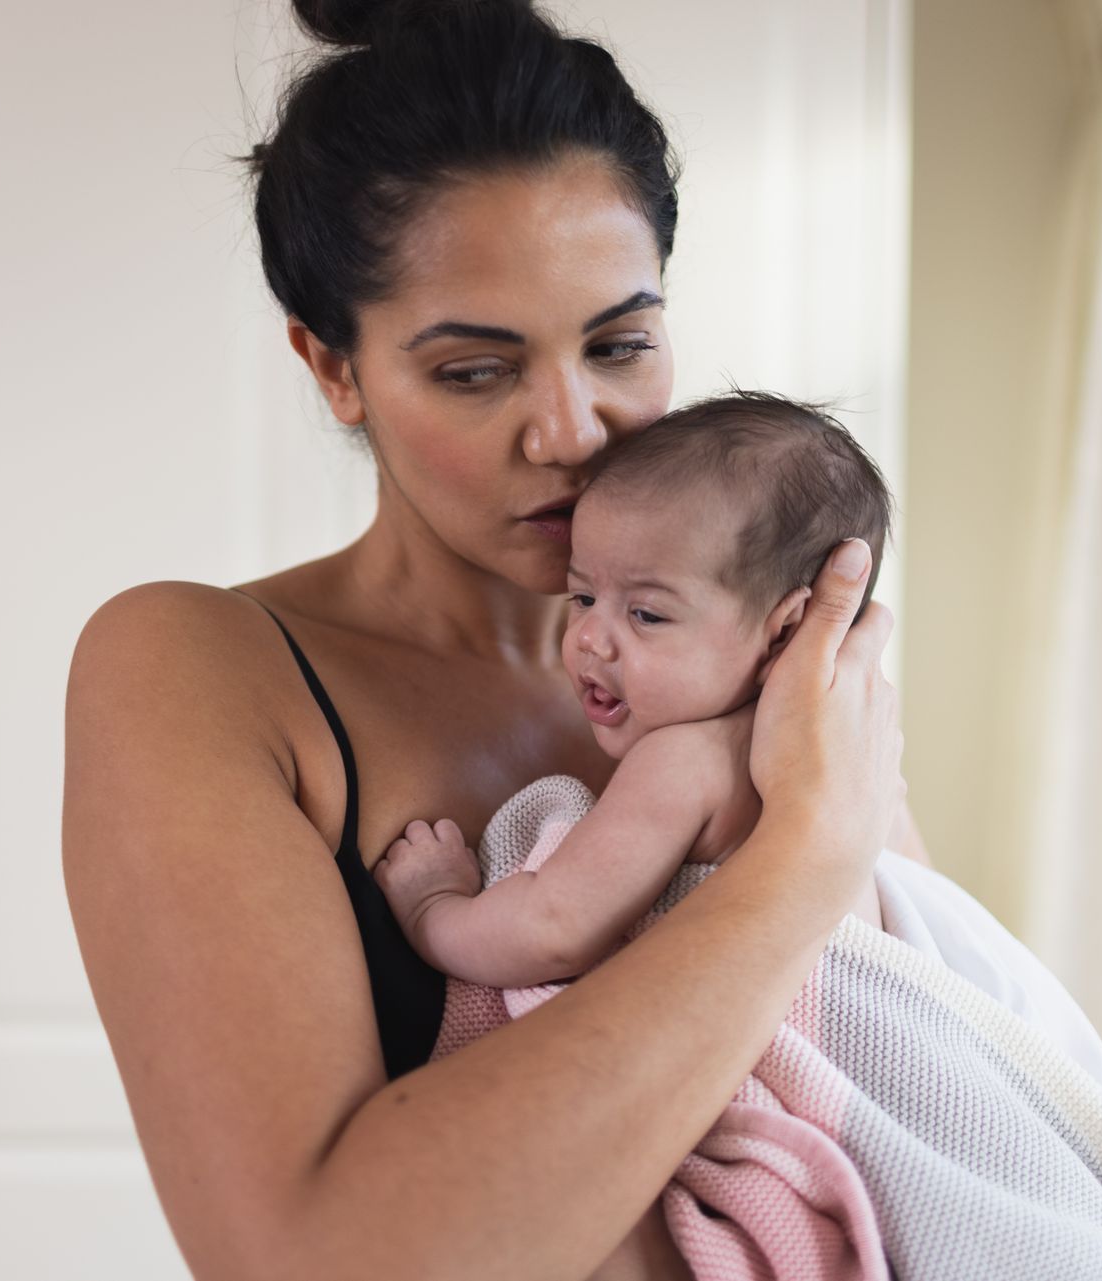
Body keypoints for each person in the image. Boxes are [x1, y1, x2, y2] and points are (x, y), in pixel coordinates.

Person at [62, 2, 912, 1278]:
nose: (573, 431)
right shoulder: (200, 670)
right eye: (476, 370)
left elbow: (917, 1057)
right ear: (333, 367)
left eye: (621, 343)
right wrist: (797, 859)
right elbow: (309, 1259)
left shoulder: (760, 653)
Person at [376, 392, 897, 986]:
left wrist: (433, 908)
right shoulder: (853, 747)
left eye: (647, 615)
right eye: (584, 598)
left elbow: (550, 931)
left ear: (784, 632)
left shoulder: (684, 761)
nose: (591, 639)